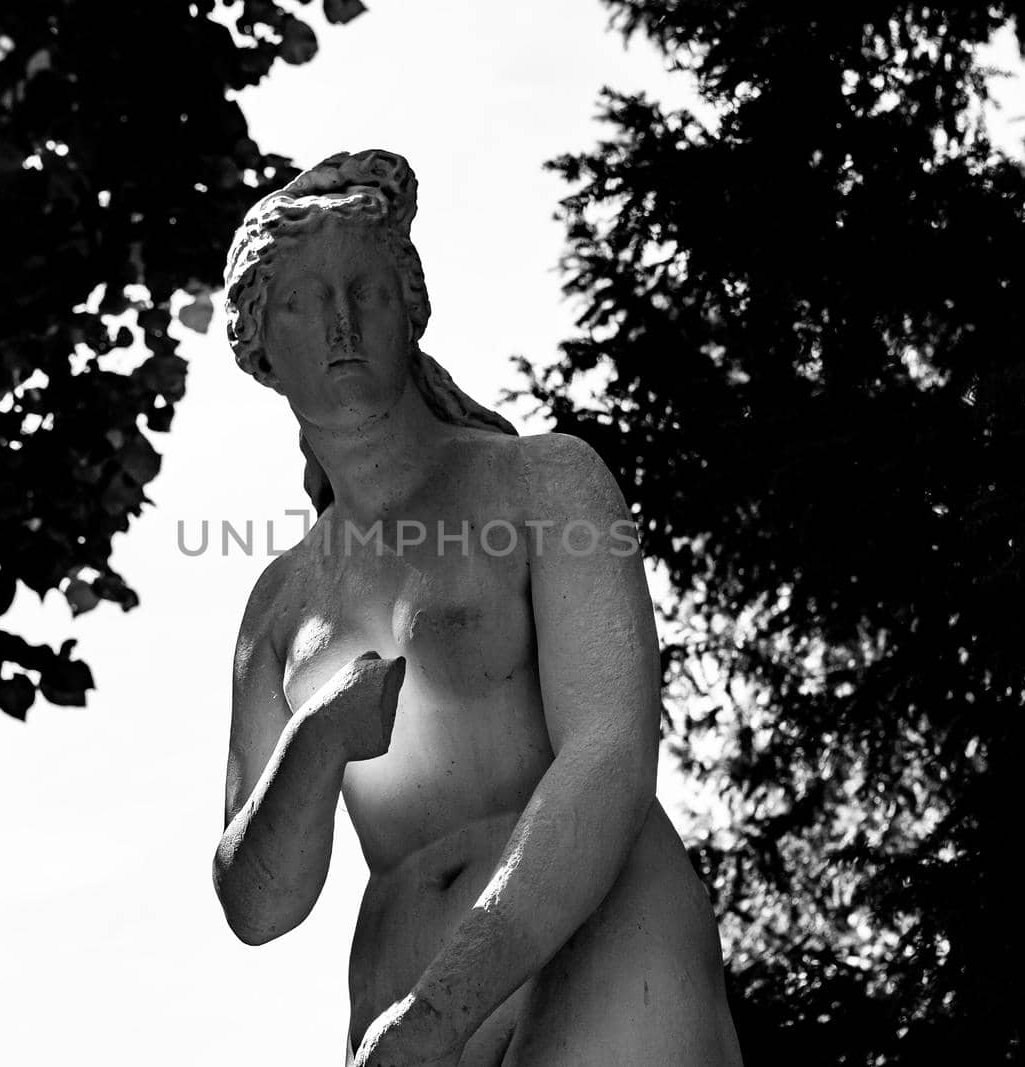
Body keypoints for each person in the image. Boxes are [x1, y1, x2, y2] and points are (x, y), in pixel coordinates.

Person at [211, 149, 744, 1066]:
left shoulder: (541, 482)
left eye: (366, 290)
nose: (341, 322)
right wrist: (318, 740)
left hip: (596, 935)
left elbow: (610, 753)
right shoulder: (280, 605)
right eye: (304, 301)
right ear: (261, 347)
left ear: (410, 311)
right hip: (398, 994)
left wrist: (439, 1008)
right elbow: (260, 905)